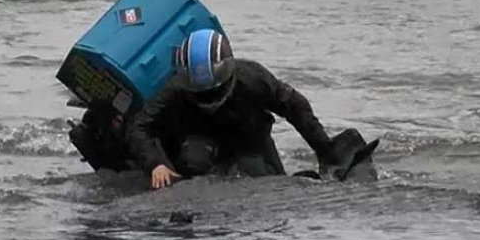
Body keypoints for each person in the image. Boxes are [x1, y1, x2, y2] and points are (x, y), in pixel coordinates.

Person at [126, 28, 340, 190]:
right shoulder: (175, 89)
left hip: (251, 142)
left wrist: (324, 151)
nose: (206, 92)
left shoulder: (253, 78)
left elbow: (296, 107)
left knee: (265, 177)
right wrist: (155, 164)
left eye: (211, 84)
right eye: (197, 83)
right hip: (202, 143)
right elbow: (139, 125)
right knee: (193, 160)